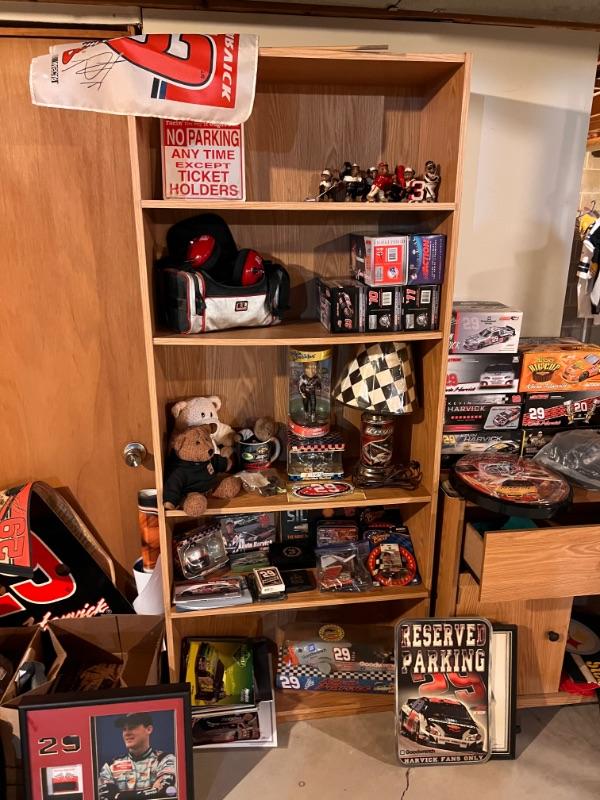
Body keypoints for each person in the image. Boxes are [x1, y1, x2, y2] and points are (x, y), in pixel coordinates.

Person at [97, 712, 177, 799]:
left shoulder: (165, 759)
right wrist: (150, 792)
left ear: (149, 729)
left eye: (132, 727)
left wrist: (118, 796)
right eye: (124, 729)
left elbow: (165, 791)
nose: (127, 733)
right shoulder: (110, 766)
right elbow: (105, 796)